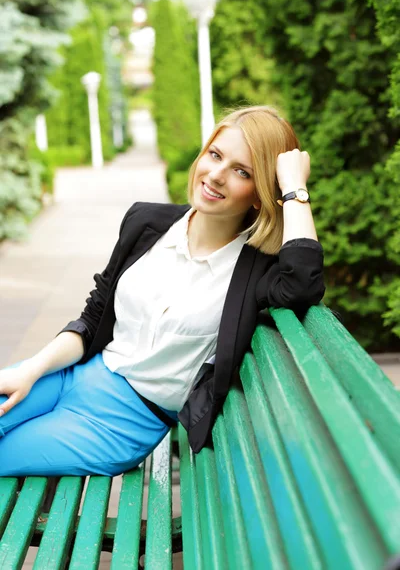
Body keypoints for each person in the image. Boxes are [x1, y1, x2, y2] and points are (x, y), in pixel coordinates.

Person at [0, 105, 325, 477]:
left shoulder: (254, 271)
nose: (216, 175)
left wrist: (295, 189)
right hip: (70, 374)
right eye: (215, 155)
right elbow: (92, 317)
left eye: (241, 171)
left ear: (260, 193)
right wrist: (30, 370)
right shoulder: (146, 222)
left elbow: (304, 284)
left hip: (121, 423)